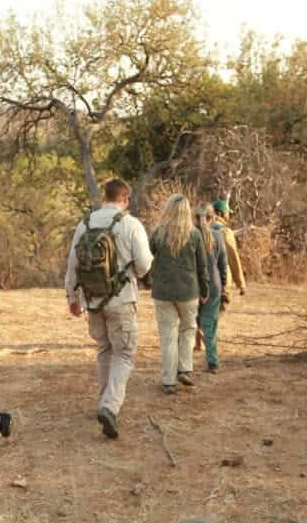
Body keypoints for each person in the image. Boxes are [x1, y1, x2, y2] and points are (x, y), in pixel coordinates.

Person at [65, 178, 153, 439]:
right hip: (122, 300)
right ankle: (109, 407)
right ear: (125, 198)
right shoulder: (130, 224)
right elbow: (145, 265)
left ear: (105, 196)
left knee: (104, 349)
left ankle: (103, 401)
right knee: (125, 354)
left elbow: (72, 264)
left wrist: (72, 297)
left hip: (92, 300)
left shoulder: (86, 223)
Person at [149, 194, 210, 394]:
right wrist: (205, 289)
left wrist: (147, 281)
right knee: (187, 330)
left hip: (163, 292)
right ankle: (184, 368)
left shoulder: (158, 233)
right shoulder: (194, 234)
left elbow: (147, 258)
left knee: (168, 335)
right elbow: (202, 266)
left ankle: (168, 380)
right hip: (188, 291)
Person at [196, 203, 227, 373]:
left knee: (192, 323)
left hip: (194, 285)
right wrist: (223, 287)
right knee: (210, 324)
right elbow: (223, 265)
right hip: (214, 284)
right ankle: (212, 362)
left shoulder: (191, 235)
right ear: (212, 218)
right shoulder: (218, 236)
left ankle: (183, 364)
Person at [212, 199, 246, 310]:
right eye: (227, 213)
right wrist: (241, 284)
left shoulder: (201, 229)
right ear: (220, 213)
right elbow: (233, 258)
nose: (228, 216)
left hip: (200, 281)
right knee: (214, 318)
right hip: (221, 282)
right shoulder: (226, 232)